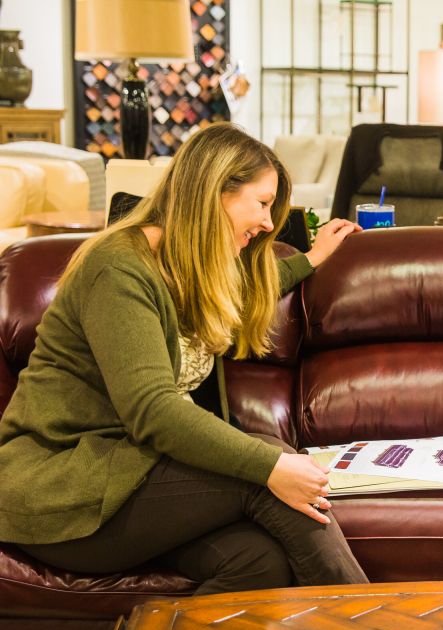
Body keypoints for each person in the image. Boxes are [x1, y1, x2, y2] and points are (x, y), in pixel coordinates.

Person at [0, 124, 368, 594]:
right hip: (68, 489)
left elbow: (252, 285)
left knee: (258, 562)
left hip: (130, 479)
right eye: (261, 203)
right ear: (214, 192)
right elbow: (152, 409)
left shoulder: (192, 269)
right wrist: (271, 467)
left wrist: (313, 258)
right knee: (267, 465)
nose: (268, 222)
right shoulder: (118, 268)